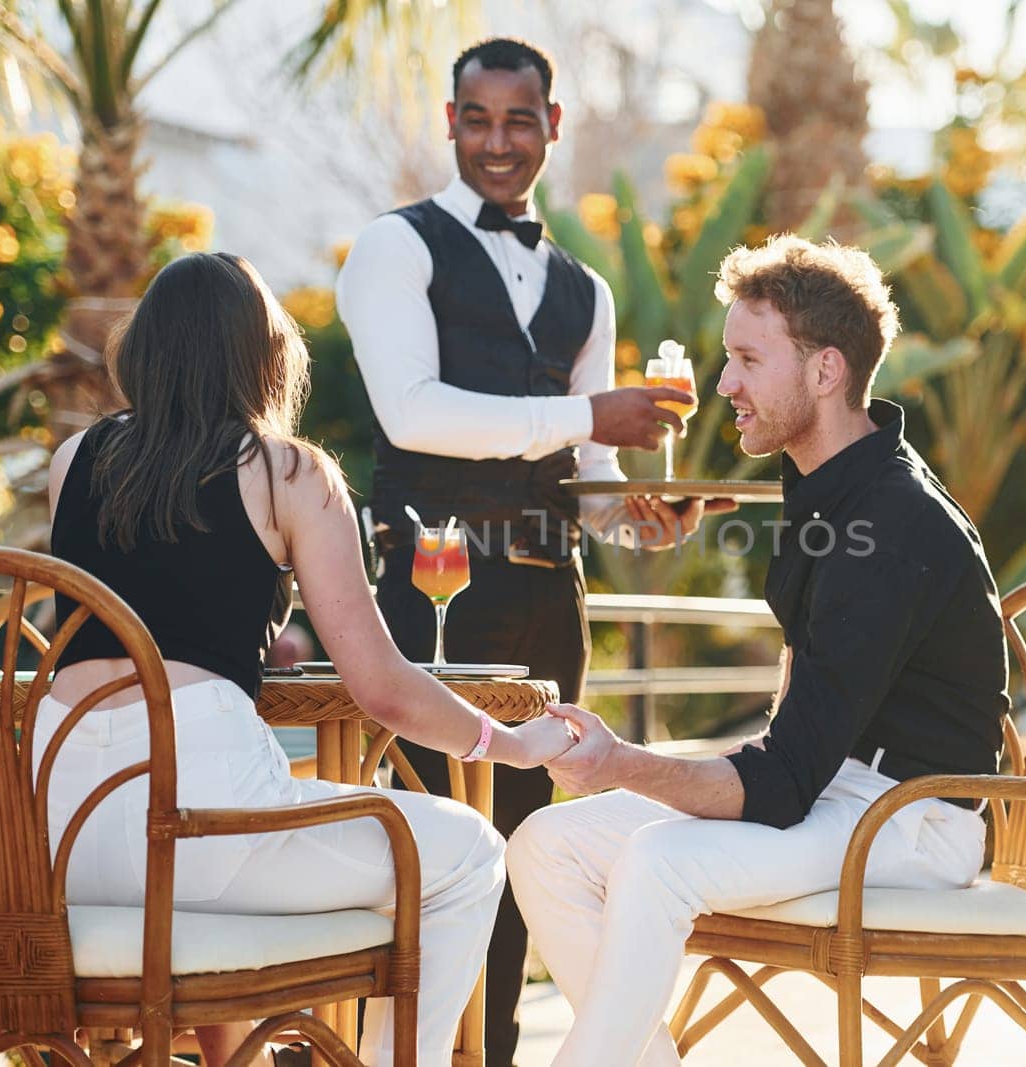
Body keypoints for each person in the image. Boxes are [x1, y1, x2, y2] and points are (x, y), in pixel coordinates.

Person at [40, 252, 579, 1067]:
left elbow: (128, 611)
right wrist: (511, 744)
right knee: (470, 853)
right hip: (202, 829)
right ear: (264, 355)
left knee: (272, 881)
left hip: (65, 833)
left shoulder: (71, 461)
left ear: (145, 348)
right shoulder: (287, 469)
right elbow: (384, 688)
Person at [506, 235, 1012, 1067]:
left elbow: (779, 784)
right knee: (545, 846)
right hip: (839, 789)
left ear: (826, 371)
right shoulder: (831, 478)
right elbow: (798, 762)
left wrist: (621, 762)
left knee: (659, 861)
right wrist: (694, 494)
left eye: (747, 359)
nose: (723, 384)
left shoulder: (890, 527)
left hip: (911, 816)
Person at [335, 36, 721, 1064]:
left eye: (519, 119)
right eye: (477, 118)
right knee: (421, 838)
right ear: (451, 122)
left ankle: (491, 1052)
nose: (498, 140)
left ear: (553, 127)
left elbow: (581, 468)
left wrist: (636, 516)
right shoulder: (394, 245)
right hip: (430, 593)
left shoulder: (584, 290)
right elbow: (412, 415)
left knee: (520, 847)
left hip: (552, 601)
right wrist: (591, 407)